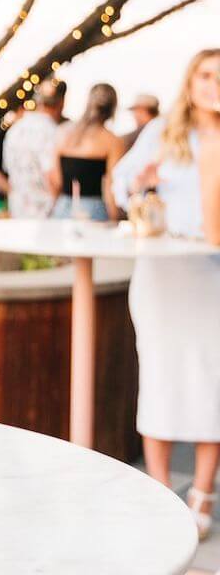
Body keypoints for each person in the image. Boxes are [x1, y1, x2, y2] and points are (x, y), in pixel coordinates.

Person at [112, 48, 220, 541]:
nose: (212, 84)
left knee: (211, 382)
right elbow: (120, 186)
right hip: (160, 275)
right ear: (190, 81)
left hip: (212, 273)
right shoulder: (162, 132)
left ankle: (202, 492)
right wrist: (139, 184)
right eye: (205, 74)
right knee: (158, 378)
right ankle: (159, 490)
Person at [48, 83, 125, 221]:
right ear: (113, 108)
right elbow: (111, 187)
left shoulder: (63, 133)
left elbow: (55, 180)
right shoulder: (112, 141)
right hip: (93, 211)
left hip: (62, 208)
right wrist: (115, 220)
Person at [2, 79, 66, 218]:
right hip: (44, 213)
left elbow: (9, 171)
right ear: (61, 103)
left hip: (18, 210)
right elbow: (52, 176)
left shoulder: (14, 130)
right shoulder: (52, 132)